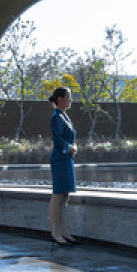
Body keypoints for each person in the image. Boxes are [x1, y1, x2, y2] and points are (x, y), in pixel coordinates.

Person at [47, 87, 78, 245]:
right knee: (58, 194)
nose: (70, 100)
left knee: (65, 196)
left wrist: (73, 146)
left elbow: (68, 136)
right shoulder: (56, 116)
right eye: (68, 97)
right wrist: (69, 147)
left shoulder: (64, 115)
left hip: (67, 159)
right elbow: (57, 138)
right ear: (60, 99)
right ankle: (55, 232)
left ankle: (64, 231)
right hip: (60, 159)